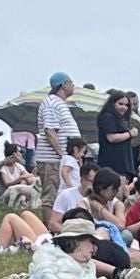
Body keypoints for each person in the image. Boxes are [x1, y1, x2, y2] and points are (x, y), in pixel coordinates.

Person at [37, 73, 80, 209]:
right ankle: (50, 227)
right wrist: (62, 154)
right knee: (51, 196)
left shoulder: (60, 104)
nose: (73, 86)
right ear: (64, 85)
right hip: (52, 159)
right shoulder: (52, 103)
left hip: (59, 160)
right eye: (71, 82)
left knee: (59, 195)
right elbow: (50, 131)